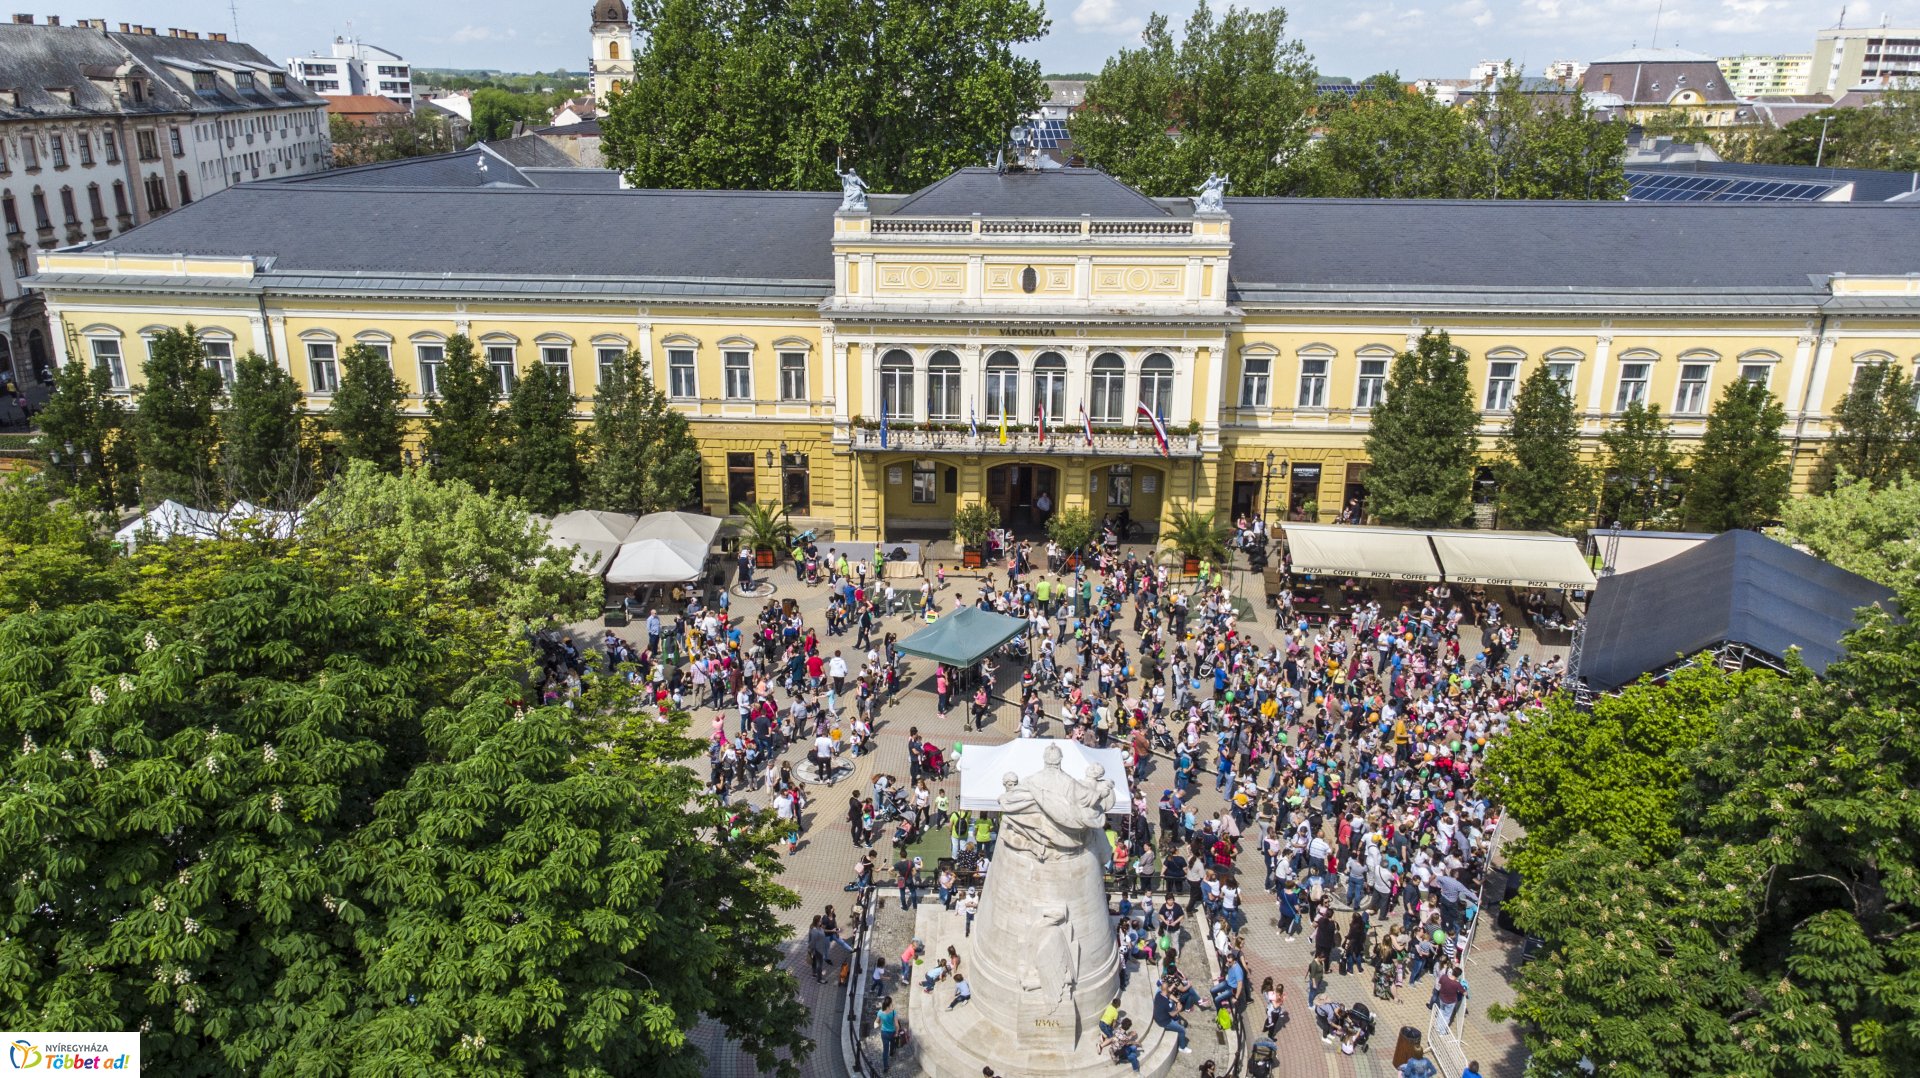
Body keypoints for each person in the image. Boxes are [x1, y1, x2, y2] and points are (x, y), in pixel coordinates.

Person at [1153, 979, 1193, 1054]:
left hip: (1158, 1016)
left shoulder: (1159, 994)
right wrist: (1179, 1009)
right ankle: (1182, 1047)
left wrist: (1177, 1001)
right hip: (1164, 1022)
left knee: (1173, 1006)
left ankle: (1176, 1020)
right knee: (1182, 1030)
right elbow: (1172, 1014)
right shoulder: (1166, 1003)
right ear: (1167, 988)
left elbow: (1169, 995)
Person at [876, 996, 899, 1072]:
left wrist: (878, 1022)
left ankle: (885, 1067)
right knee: (892, 1043)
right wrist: (896, 1032)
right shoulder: (893, 1012)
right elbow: (896, 1025)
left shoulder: (880, 1012)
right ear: (890, 1004)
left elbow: (877, 1021)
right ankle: (892, 1052)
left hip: (884, 1033)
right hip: (892, 1032)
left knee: (885, 1050)